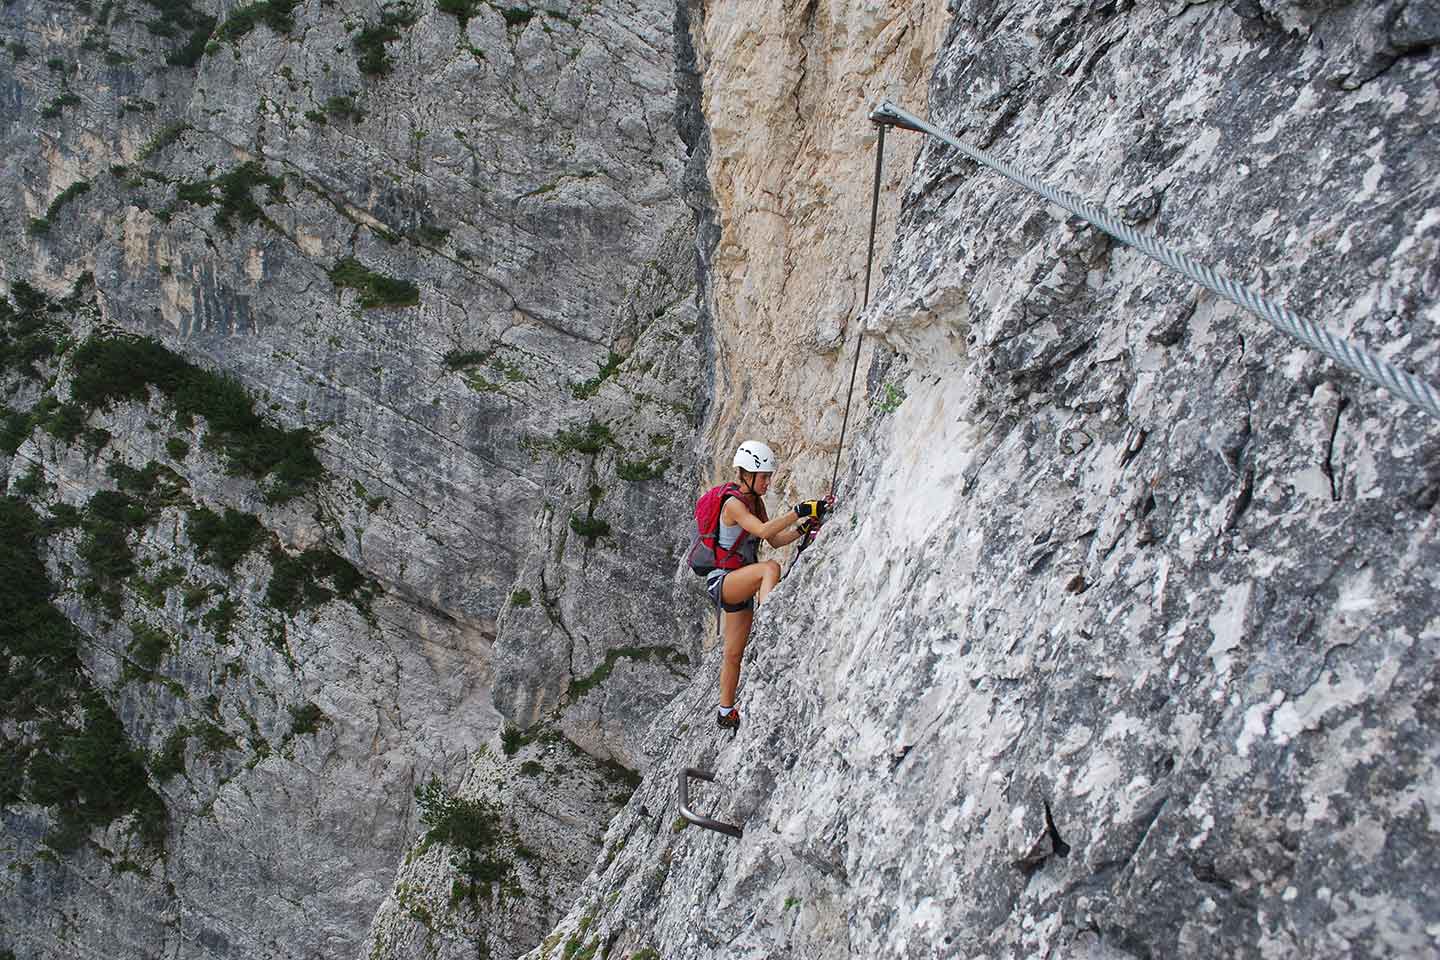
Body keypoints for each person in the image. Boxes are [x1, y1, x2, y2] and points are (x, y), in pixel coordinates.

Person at [710, 441, 829, 731]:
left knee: (733, 654)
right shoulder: (734, 504)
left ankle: (725, 712)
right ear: (747, 475)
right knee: (770, 568)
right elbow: (763, 531)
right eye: (763, 476)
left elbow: (774, 540)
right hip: (725, 580)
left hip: (741, 582)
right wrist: (798, 510)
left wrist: (802, 528)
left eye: (768, 476)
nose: (768, 481)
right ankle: (771, 623)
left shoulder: (756, 504)